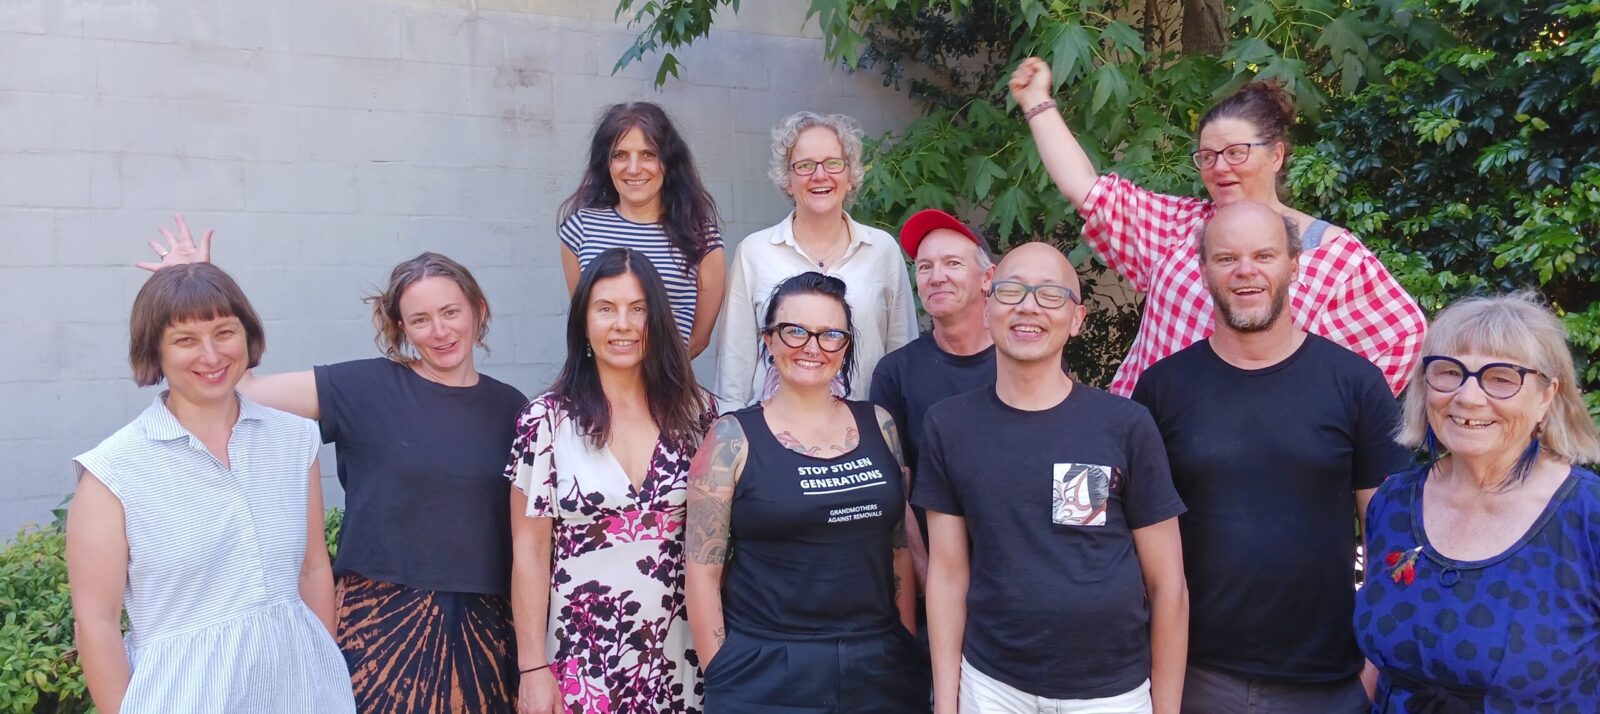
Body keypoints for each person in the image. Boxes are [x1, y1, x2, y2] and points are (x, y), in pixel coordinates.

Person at [139, 219, 527, 712]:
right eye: (421, 318)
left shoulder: (514, 408)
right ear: (402, 327)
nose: (441, 330)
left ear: (479, 310)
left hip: (485, 629)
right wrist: (200, 285)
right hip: (379, 626)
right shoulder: (364, 388)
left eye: (451, 311)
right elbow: (247, 390)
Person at [1130, 202, 1412, 712]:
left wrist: (1370, 672)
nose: (1246, 271)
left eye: (1264, 255)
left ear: (1294, 265)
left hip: (1329, 681)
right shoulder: (1161, 389)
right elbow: (1137, 540)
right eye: (1226, 258)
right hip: (1196, 676)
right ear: (1203, 269)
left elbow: (1389, 533)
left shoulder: (1355, 384)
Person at [1008, 57, 1426, 397]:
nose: (1219, 166)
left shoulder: (1334, 255)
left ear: (1276, 156)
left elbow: (1404, 335)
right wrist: (1036, 101)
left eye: (1236, 152)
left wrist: (1328, 423)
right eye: (1207, 156)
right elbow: (1085, 187)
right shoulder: (1179, 226)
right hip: (1144, 448)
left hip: (1251, 467)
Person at [66, 263, 355, 713]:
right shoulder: (114, 471)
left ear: (248, 335)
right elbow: (96, 624)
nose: (211, 354)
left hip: (303, 693)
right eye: (185, 340)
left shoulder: (294, 439)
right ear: (154, 351)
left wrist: (325, 671)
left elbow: (312, 569)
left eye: (224, 331)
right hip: (183, 697)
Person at [915, 243, 1188, 714]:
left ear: (1078, 319)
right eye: (1012, 291)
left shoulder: (1124, 425)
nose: (1028, 306)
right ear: (987, 306)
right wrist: (946, 700)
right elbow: (947, 573)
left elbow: (1168, 586)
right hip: (993, 686)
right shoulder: (949, 425)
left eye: (1050, 295)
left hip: (1111, 693)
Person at [686, 272, 926, 712]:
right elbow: (702, 570)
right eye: (794, 331)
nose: (812, 347)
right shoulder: (730, 438)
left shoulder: (881, 425)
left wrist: (905, 640)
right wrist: (719, 668)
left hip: (880, 664)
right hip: (767, 669)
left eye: (830, 334)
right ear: (769, 340)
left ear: (847, 345)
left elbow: (898, 549)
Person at [1356, 293, 1600, 712]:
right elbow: (1379, 662)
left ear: (1547, 395)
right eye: (1449, 373)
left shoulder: (1587, 516)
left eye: (1501, 378)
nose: (1468, 397)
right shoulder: (1394, 502)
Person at [506, 248, 716, 713]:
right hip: (582, 658)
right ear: (584, 322)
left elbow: (718, 546)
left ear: (656, 321)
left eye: (637, 309)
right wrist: (532, 667)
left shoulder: (700, 415)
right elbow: (530, 550)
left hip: (681, 653)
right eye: (606, 309)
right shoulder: (545, 422)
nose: (622, 324)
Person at [715, 111, 917, 408]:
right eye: (805, 165)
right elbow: (735, 366)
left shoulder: (882, 250)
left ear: (850, 177)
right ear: (787, 180)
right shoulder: (754, 253)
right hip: (771, 437)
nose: (820, 175)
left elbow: (904, 358)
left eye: (833, 163)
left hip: (863, 434)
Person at [560, 102, 726, 358]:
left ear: (668, 162)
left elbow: (699, 339)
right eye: (620, 155)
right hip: (598, 389)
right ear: (606, 163)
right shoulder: (579, 230)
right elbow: (587, 322)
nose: (634, 168)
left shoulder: (702, 239)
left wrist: (652, 378)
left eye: (649, 154)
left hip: (668, 391)